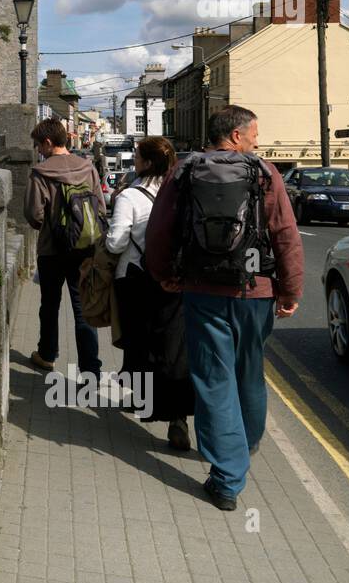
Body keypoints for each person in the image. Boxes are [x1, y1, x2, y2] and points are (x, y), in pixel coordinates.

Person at [144, 106, 303, 511]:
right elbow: (284, 234)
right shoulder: (264, 173)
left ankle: (227, 478)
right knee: (249, 370)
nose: (256, 141)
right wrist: (290, 290)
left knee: (214, 378)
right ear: (234, 136)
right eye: (253, 134)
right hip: (257, 290)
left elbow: (160, 228)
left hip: (203, 289)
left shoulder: (185, 170)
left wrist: (163, 273)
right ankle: (243, 448)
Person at [104, 136, 193, 449]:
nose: (135, 161)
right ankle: (177, 417)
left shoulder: (129, 196)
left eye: (138, 157)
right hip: (175, 278)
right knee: (173, 346)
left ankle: (142, 399)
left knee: (139, 342)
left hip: (136, 277)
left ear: (146, 162)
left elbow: (115, 242)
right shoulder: (181, 191)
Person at [24, 118, 107, 375]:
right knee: (83, 309)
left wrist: (53, 227)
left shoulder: (41, 173)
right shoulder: (88, 167)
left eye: (39, 145)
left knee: (50, 304)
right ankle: (90, 370)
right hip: (84, 250)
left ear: (48, 142)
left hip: (52, 250)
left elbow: (33, 215)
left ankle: (47, 355)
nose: (38, 151)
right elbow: (101, 209)